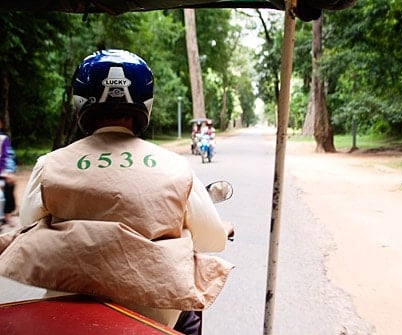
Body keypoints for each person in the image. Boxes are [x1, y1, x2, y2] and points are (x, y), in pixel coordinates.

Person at [0, 49, 233, 334]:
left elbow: (28, 229)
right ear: (144, 104)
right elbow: (211, 239)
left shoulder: (49, 165)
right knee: (190, 312)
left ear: (80, 103)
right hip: (154, 317)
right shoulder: (175, 167)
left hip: (67, 305)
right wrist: (222, 229)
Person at [0, 118, 16, 229]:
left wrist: (8, 172)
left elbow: (8, 157)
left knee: (10, 183)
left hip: (2, 172)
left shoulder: (3, 139)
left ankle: (6, 215)